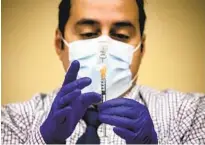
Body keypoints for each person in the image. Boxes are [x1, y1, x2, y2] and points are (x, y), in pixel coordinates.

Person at [1, 0, 205, 144]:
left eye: (121, 35)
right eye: (88, 33)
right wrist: (45, 141)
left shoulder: (191, 113)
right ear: (59, 43)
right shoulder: (13, 121)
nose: (103, 49)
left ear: (142, 48)